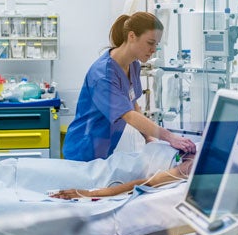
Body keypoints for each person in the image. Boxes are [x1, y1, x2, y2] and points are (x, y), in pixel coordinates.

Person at [62, 11, 196, 161]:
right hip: (82, 150)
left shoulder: (133, 65)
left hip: (104, 149)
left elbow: (131, 103)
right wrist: (170, 137)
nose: (154, 50)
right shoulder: (103, 75)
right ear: (132, 36)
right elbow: (129, 115)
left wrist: (149, 137)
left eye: (156, 44)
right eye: (150, 43)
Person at [52, 154, 194, 199]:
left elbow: (148, 183)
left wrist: (90, 193)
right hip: (111, 164)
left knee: (56, 177)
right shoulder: (196, 147)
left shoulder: (191, 166)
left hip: (108, 175)